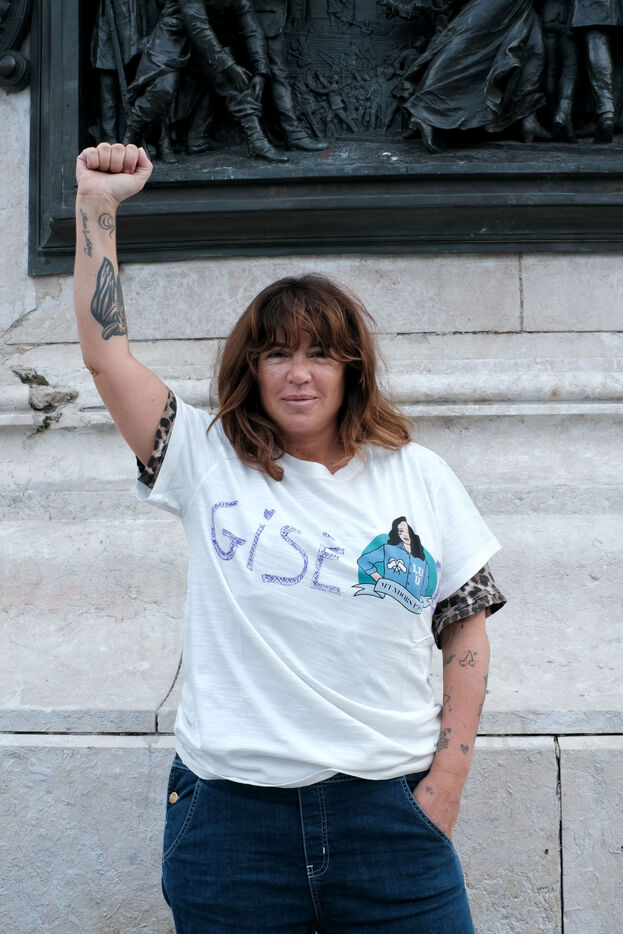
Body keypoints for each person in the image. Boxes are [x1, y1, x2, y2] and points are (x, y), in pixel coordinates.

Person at [74, 141, 506, 934]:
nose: (298, 374)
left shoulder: (418, 476)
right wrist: (97, 206)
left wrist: (446, 781)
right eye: (277, 354)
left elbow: (465, 629)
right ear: (252, 369)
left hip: (390, 819)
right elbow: (106, 359)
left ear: (351, 369)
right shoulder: (202, 457)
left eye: (319, 355)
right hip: (232, 828)